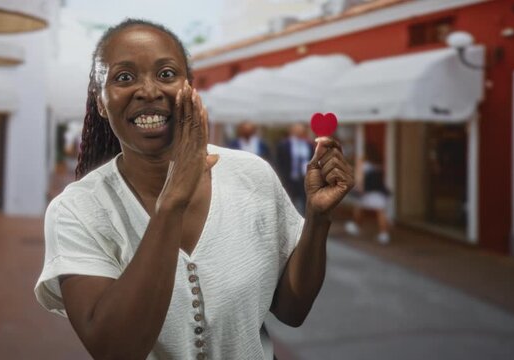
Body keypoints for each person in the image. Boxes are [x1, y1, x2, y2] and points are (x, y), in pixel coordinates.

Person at [34, 19, 354, 360]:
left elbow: (292, 311)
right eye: (124, 77)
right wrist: (172, 201)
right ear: (101, 101)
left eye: (167, 74)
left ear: (190, 88)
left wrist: (318, 220)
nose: (149, 91)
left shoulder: (251, 175)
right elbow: (115, 349)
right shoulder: (77, 210)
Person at [344, 145, 391, 244]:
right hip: (379, 191)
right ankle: (384, 234)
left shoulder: (363, 163)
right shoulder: (378, 163)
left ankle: (356, 226)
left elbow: (360, 178)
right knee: (381, 212)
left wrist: (359, 189)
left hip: (367, 191)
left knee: (358, 208)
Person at [276, 123, 315, 214]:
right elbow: (279, 162)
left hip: (304, 179)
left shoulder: (308, 145)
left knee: (303, 204)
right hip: (289, 179)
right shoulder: (284, 145)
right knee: (289, 203)